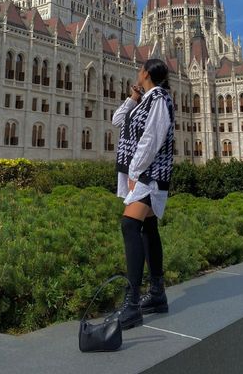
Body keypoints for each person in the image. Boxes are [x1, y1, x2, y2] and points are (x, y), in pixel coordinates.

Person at [105, 58, 175, 330]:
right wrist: (133, 97)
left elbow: (153, 138)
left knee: (129, 225)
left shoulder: (159, 99)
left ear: (145, 73)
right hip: (144, 172)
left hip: (150, 174)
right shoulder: (146, 99)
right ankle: (157, 294)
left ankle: (132, 304)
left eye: (139, 70)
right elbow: (118, 120)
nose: (137, 73)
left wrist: (135, 173)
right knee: (148, 228)